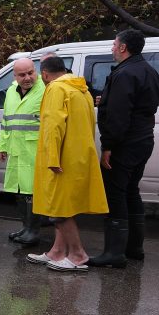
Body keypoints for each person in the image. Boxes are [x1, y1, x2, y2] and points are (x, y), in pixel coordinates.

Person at [87, 29, 159, 268]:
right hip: (143, 140)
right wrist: (105, 100)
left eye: (114, 44)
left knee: (116, 194)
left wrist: (108, 146)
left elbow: (120, 116)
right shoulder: (148, 71)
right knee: (131, 191)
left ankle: (114, 253)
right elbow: (141, 104)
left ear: (123, 47)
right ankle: (134, 248)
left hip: (124, 143)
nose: (111, 48)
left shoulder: (125, 74)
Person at [27, 55, 108, 271]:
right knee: (65, 206)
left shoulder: (55, 89)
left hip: (61, 158)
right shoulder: (82, 90)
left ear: (44, 74)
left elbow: (54, 126)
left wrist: (52, 158)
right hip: (78, 156)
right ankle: (57, 251)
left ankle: (78, 255)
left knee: (57, 210)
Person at [0, 57, 46, 246]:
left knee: (31, 192)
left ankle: (33, 231)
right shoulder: (11, 91)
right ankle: (25, 227)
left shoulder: (45, 90)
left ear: (36, 70)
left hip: (35, 150)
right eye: (22, 75)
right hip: (16, 148)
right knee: (18, 190)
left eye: (30, 73)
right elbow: (6, 121)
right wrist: (2, 145)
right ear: (15, 76)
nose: (27, 78)